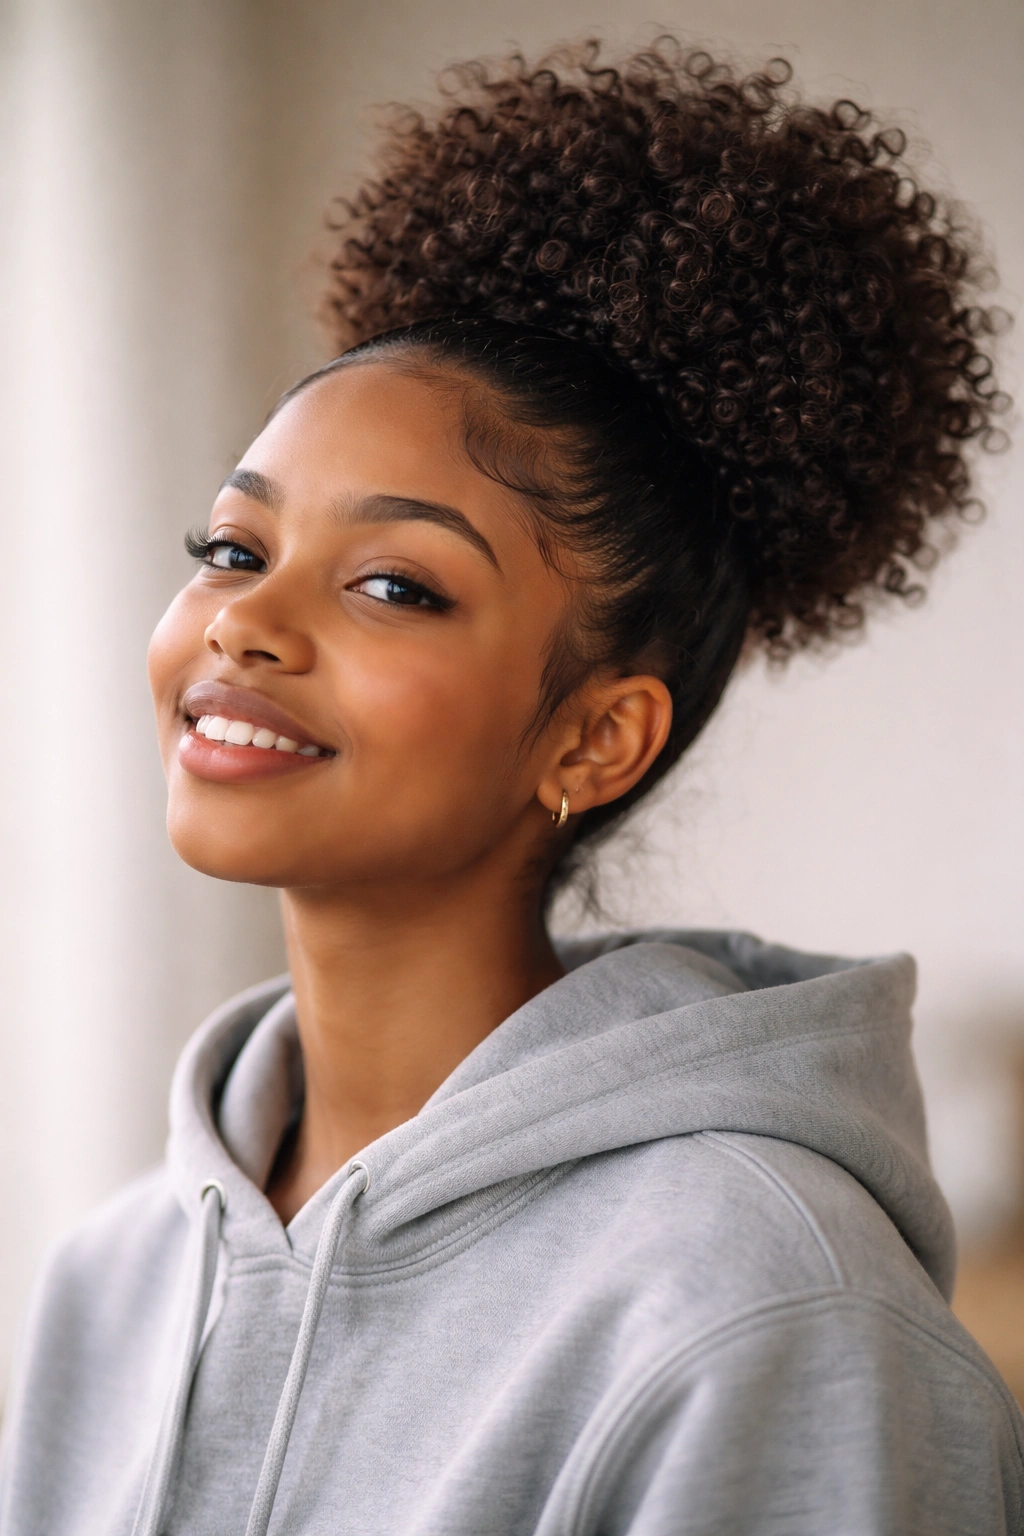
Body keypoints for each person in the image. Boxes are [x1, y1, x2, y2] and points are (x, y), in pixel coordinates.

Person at [1, 39, 1020, 1536]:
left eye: (396, 585)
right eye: (234, 548)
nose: (245, 622)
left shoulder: (764, 1304)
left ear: (596, 740)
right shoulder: (113, 1280)